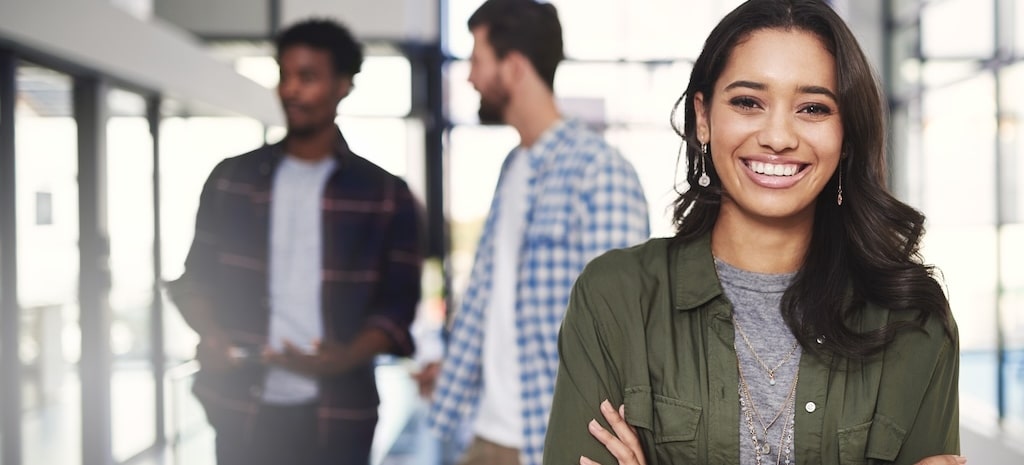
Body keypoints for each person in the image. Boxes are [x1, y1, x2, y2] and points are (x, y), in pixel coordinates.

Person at [542, 1, 961, 465]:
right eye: (747, 102)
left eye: (813, 107)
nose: (778, 136)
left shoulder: (913, 321)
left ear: (847, 135)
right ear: (703, 117)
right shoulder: (614, 298)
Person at [166, 18, 422, 465]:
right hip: (241, 407)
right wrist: (211, 334)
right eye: (285, 76)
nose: (291, 90)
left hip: (340, 416)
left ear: (343, 86)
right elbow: (195, 281)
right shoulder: (231, 180)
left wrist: (345, 358)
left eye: (308, 77)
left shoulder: (385, 194)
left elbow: (398, 306)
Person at [421, 1, 650, 465]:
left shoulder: (598, 171)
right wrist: (453, 374)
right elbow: (495, 302)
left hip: (551, 440)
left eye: (477, 60)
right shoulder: (514, 166)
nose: (469, 77)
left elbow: (618, 337)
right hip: (487, 432)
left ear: (515, 67)